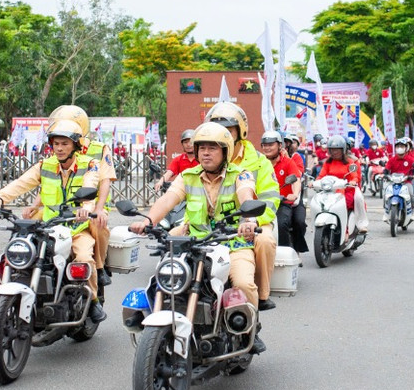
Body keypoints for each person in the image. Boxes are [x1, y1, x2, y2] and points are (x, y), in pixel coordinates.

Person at [128, 122, 267, 353]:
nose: (205, 152)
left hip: (232, 242)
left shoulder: (240, 174)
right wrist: (147, 222)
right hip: (195, 243)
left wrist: (249, 221)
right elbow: (167, 200)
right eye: (201, 147)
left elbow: (246, 195)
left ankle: (250, 329)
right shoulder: (187, 176)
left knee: (243, 283)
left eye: (212, 148)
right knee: (163, 276)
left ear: (225, 151)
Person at [0, 120, 107, 323]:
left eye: (64, 143)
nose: (59, 148)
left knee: (83, 256)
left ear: (75, 145)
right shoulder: (44, 165)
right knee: (20, 250)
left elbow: (90, 186)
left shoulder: (89, 164)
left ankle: (92, 301)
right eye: (56, 143)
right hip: (48, 227)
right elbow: (21, 183)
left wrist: (86, 208)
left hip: (76, 227)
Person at [205, 101, 280, 312]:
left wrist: (255, 219)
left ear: (240, 131)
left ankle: (261, 295)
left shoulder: (258, 161)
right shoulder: (207, 158)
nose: (223, 135)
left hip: (254, 219)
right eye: (218, 130)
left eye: (228, 130)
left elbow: (270, 197)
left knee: (264, 240)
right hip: (215, 222)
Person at [42, 105, 116, 288]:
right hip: (62, 208)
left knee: (97, 223)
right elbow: (47, 179)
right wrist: (34, 206)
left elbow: (105, 180)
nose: (59, 146)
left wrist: (98, 208)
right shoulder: (60, 147)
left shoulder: (99, 149)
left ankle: (99, 266)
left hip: (92, 204)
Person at [261, 131, 308, 256]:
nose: (267, 148)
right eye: (264, 145)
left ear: (279, 146)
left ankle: (285, 255)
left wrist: (294, 193)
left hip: (283, 202)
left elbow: (296, 179)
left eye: (271, 145)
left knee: (283, 224)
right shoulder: (259, 163)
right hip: (264, 203)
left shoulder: (288, 162)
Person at [315, 135, 368, 234]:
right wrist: (314, 183)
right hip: (330, 191)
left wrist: (352, 182)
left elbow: (355, 177)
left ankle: (347, 231)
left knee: (347, 204)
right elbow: (321, 176)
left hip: (347, 190)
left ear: (343, 150)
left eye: (337, 150)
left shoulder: (351, 162)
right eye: (332, 150)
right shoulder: (327, 162)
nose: (335, 152)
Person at [384, 137, 414, 221]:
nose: (400, 148)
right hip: (393, 182)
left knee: (411, 193)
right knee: (386, 192)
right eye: (398, 146)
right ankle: (386, 212)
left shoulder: (410, 159)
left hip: (406, 182)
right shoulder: (392, 159)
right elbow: (386, 169)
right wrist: (384, 174)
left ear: (406, 148)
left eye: (402, 146)